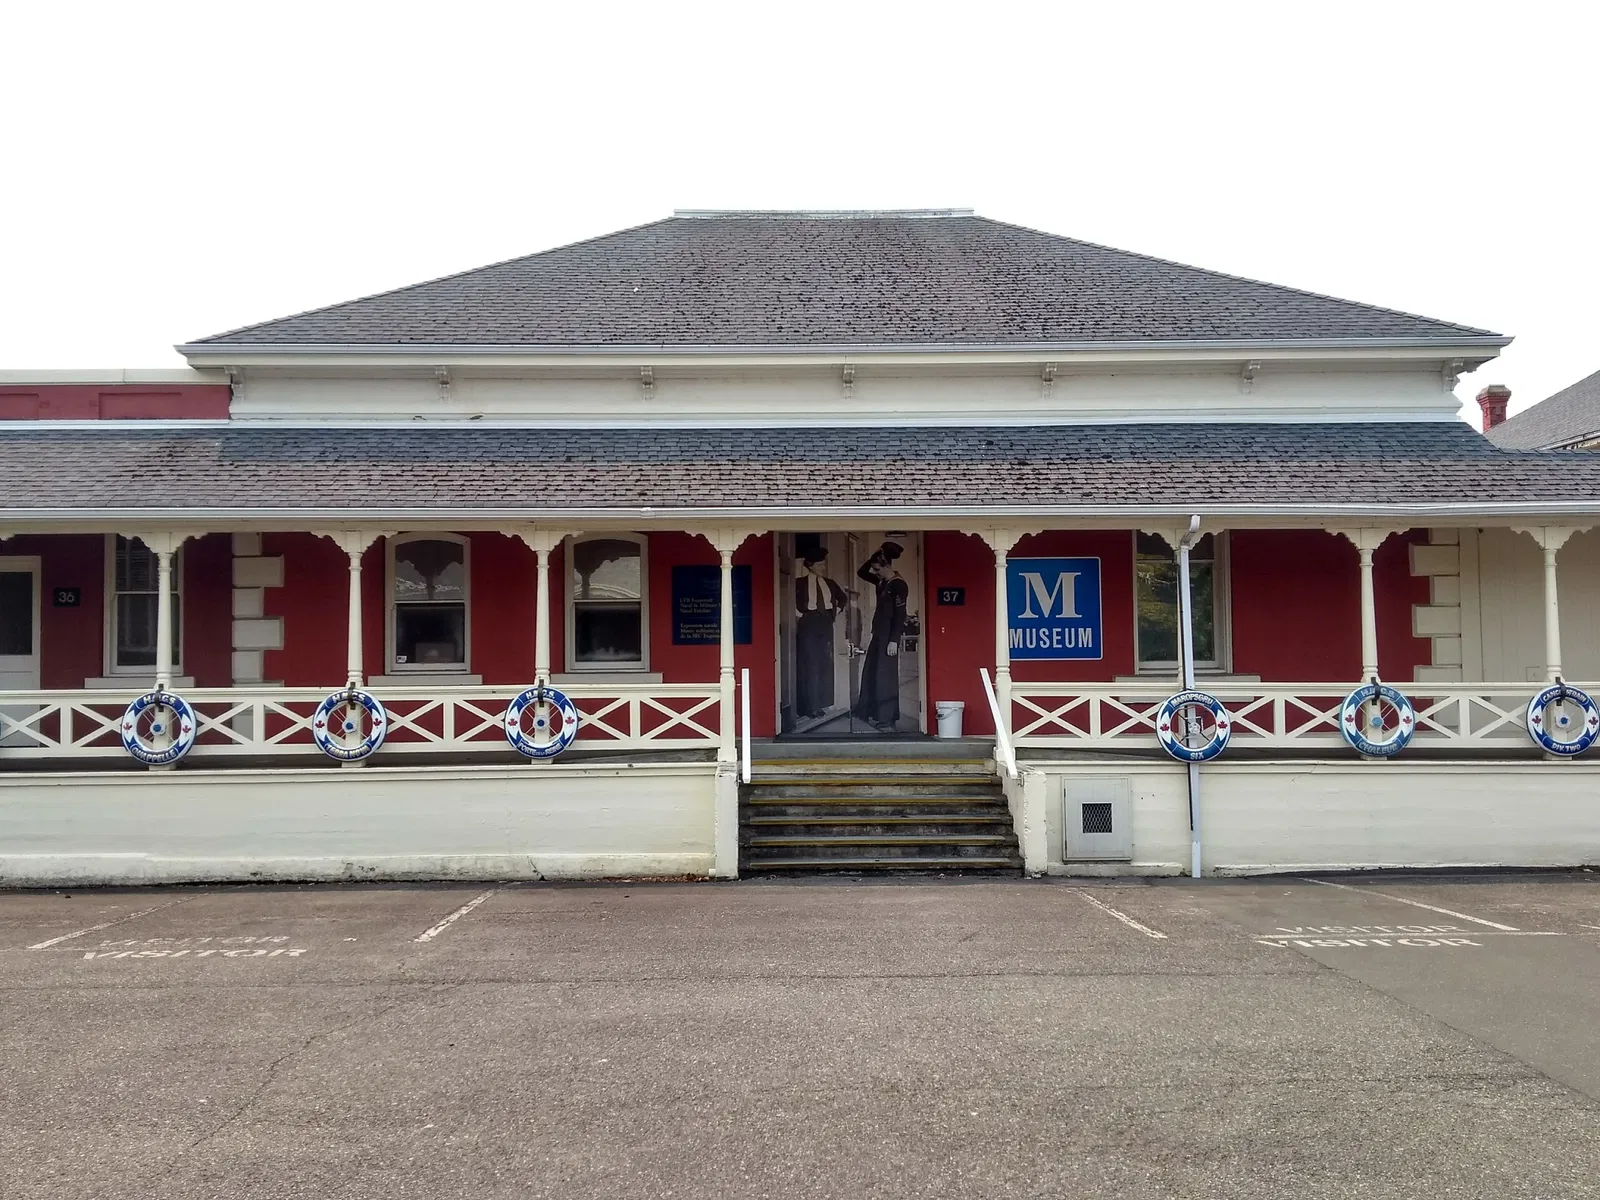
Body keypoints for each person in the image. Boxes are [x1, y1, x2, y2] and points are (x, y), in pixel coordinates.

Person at [853, 542, 908, 730]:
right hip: (878, 634)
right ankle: (870, 712)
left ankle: (887, 718)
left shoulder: (899, 585)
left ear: (887, 566)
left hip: (888, 637)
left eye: (878, 568)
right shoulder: (881, 582)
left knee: (886, 678)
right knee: (871, 674)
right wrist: (875, 555)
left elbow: (901, 615)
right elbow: (861, 572)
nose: (874, 572)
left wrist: (894, 639)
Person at [794, 547, 847, 719]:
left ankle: (820, 704)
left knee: (824, 665)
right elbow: (790, 600)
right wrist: (799, 615)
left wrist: (835, 612)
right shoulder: (798, 583)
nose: (823, 567)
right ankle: (809, 707)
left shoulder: (830, 583)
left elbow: (843, 598)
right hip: (808, 625)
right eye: (820, 564)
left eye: (824, 564)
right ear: (810, 565)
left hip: (825, 625)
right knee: (810, 667)